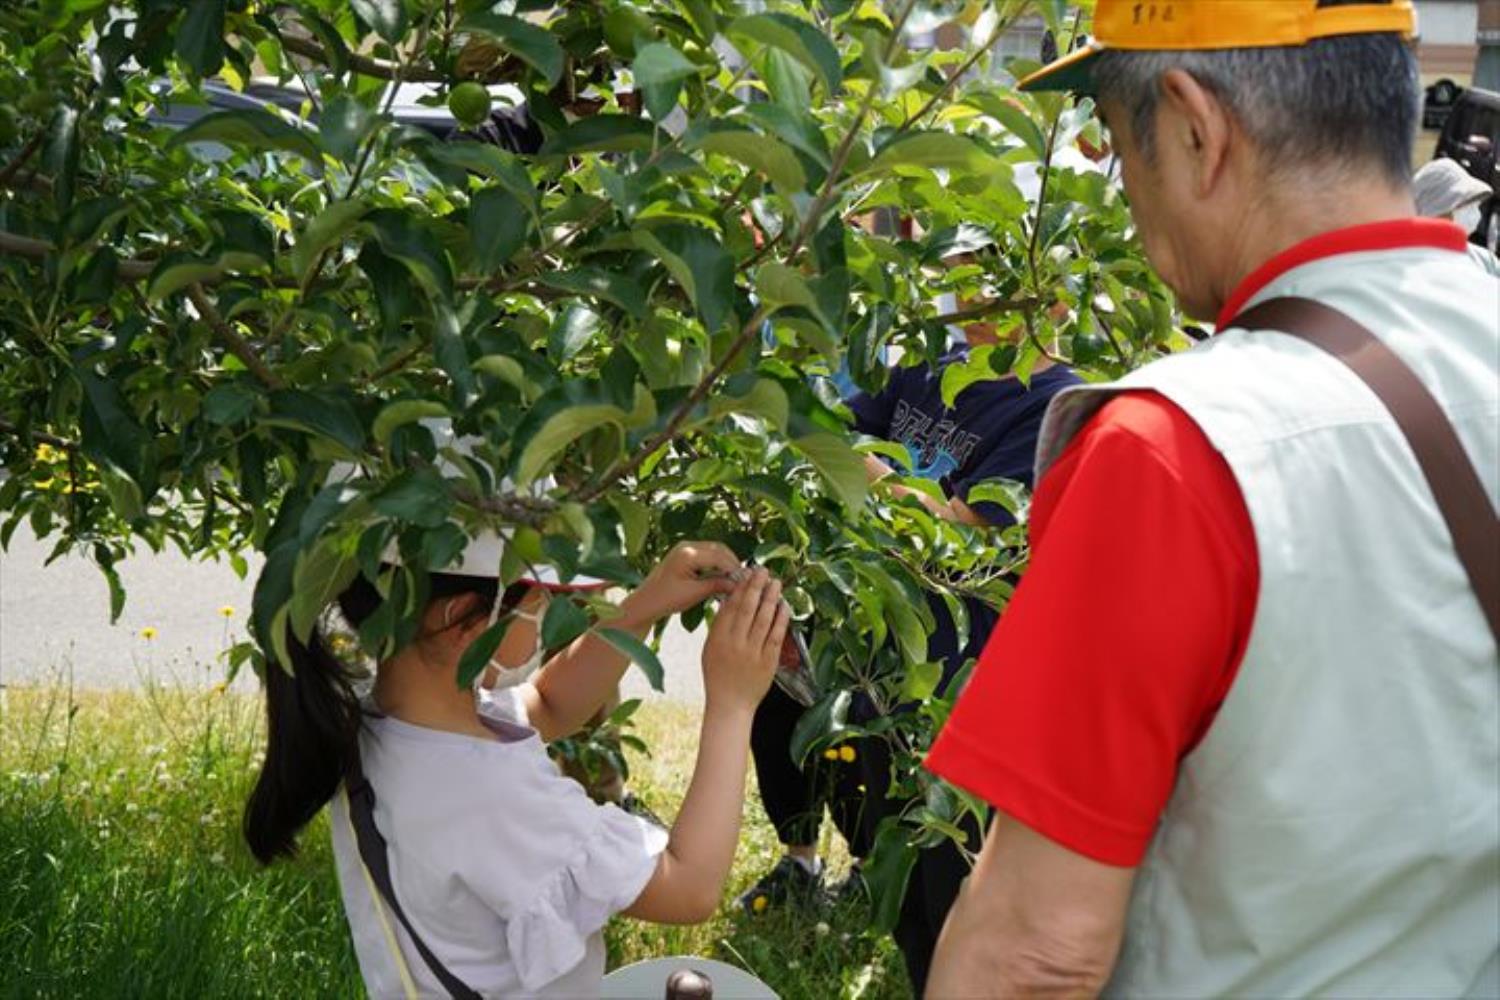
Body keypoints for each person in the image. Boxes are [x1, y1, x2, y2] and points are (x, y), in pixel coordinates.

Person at [925, 1, 1498, 996]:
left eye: (1116, 145)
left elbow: (1035, 951)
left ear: (1195, 130)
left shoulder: (1176, 449)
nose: (1124, 193)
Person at [243, 448, 791, 996]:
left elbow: (548, 704)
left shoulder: (388, 720)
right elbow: (690, 887)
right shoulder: (489, 795)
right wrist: (733, 703)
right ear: (463, 621)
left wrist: (645, 604)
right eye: (537, 599)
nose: (549, 613)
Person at [740, 236, 1082, 995]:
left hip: (957, 687)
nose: (967, 285)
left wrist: (851, 466)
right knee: (891, 845)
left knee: (948, 879)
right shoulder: (931, 370)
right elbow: (833, 418)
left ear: (1051, 288)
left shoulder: (1057, 408)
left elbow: (966, 529)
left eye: (990, 269)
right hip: (882, 655)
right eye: (962, 266)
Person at [1413, 157, 1500, 274]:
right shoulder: (1407, 265)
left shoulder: (1485, 261)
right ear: (1433, 209)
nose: (1474, 212)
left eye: (1475, 204)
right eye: (1464, 204)